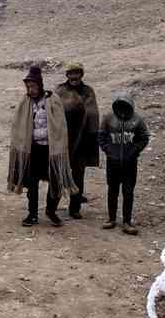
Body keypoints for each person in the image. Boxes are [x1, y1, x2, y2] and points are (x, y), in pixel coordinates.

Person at [6, 66, 77, 227]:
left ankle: (51, 211)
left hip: (51, 150)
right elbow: (19, 124)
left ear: (40, 84)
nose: (30, 89)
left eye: (33, 86)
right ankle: (32, 214)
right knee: (32, 184)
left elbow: (60, 125)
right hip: (33, 149)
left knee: (55, 181)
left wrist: (59, 145)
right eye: (28, 86)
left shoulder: (53, 100)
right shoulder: (25, 102)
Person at [53, 62, 100, 220]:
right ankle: (52, 207)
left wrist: (92, 137)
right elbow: (54, 113)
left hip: (82, 140)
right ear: (67, 75)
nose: (73, 76)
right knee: (59, 173)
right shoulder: (60, 91)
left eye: (76, 73)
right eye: (70, 73)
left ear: (81, 74)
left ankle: (75, 207)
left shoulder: (88, 91)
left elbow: (92, 114)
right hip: (64, 140)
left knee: (78, 174)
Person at [98, 92, 150, 235]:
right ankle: (111, 219)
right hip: (112, 162)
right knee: (112, 190)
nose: (122, 110)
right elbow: (101, 135)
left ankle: (127, 221)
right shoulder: (108, 118)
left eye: (125, 107)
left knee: (128, 192)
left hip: (130, 163)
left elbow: (144, 138)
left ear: (130, 107)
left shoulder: (137, 120)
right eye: (119, 106)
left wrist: (135, 151)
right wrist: (108, 151)